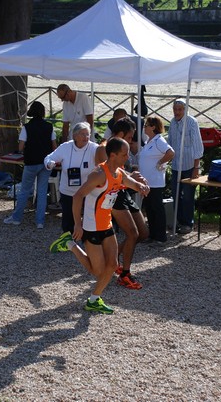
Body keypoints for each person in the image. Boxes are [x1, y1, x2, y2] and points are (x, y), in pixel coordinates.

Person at [49, 137, 150, 314]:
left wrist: (140, 186)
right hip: (91, 227)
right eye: (124, 154)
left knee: (112, 265)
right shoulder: (99, 174)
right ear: (112, 155)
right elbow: (78, 196)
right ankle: (70, 244)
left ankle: (94, 299)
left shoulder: (119, 172)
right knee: (97, 271)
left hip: (106, 225)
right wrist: (77, 226)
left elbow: (129, 182)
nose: (127, 157)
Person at [107, 117, 150, 289]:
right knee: (132, 234)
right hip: (115, 195)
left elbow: (123, 171)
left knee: (143, 233)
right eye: (130, 137)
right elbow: (111, 174)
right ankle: (125, 274)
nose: (132, 141)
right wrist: (131, 178)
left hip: (124, 193)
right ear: (121, 134)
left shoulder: (122, 148)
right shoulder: (108, 148)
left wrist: (135, 176)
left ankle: (115, 256)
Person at [44, 122, 105, 235]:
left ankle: (88, 240)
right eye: (82, 134)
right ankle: (68, 241)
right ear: (75, 136)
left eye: (87, 134)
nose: (85, 137)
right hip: (68, 191)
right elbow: (49, 158)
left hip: (88, 191)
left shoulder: (94, 148)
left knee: (89, 217)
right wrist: (49, 163)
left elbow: (103, 165)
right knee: (68, 218)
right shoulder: (66, 147)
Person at [4, 101, 57, 229]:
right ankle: (40, 221)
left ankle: (16, 218)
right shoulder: (49, 127)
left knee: (25, 191)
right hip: (45, 163)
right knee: (42, 192)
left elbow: (21, 147)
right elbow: (54, 146)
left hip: (31, 163)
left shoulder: (26, 127)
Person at [167, 98, 204, 234]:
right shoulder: (172, 122)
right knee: (175, 195)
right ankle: (179, 221)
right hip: (176, 164)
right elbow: (169, 141)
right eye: (175, 109)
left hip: (189, 165)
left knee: (188, 196)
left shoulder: (191, 122)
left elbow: (197, 145)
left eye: (180, 109)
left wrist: (196, 167)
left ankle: (188, 223)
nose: (177, 112)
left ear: (185, 110)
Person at [139, 116, 175, 242]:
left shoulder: (159, 140)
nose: (144, 128)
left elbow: (170, 153)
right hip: (147, 181)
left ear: (153, 127)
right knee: (149, 208)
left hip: (155, 181)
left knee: (156, 208)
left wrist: (160, 162)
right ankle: (152, 234)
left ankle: (160, 236)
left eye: (146, 126)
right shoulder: (149, 140)